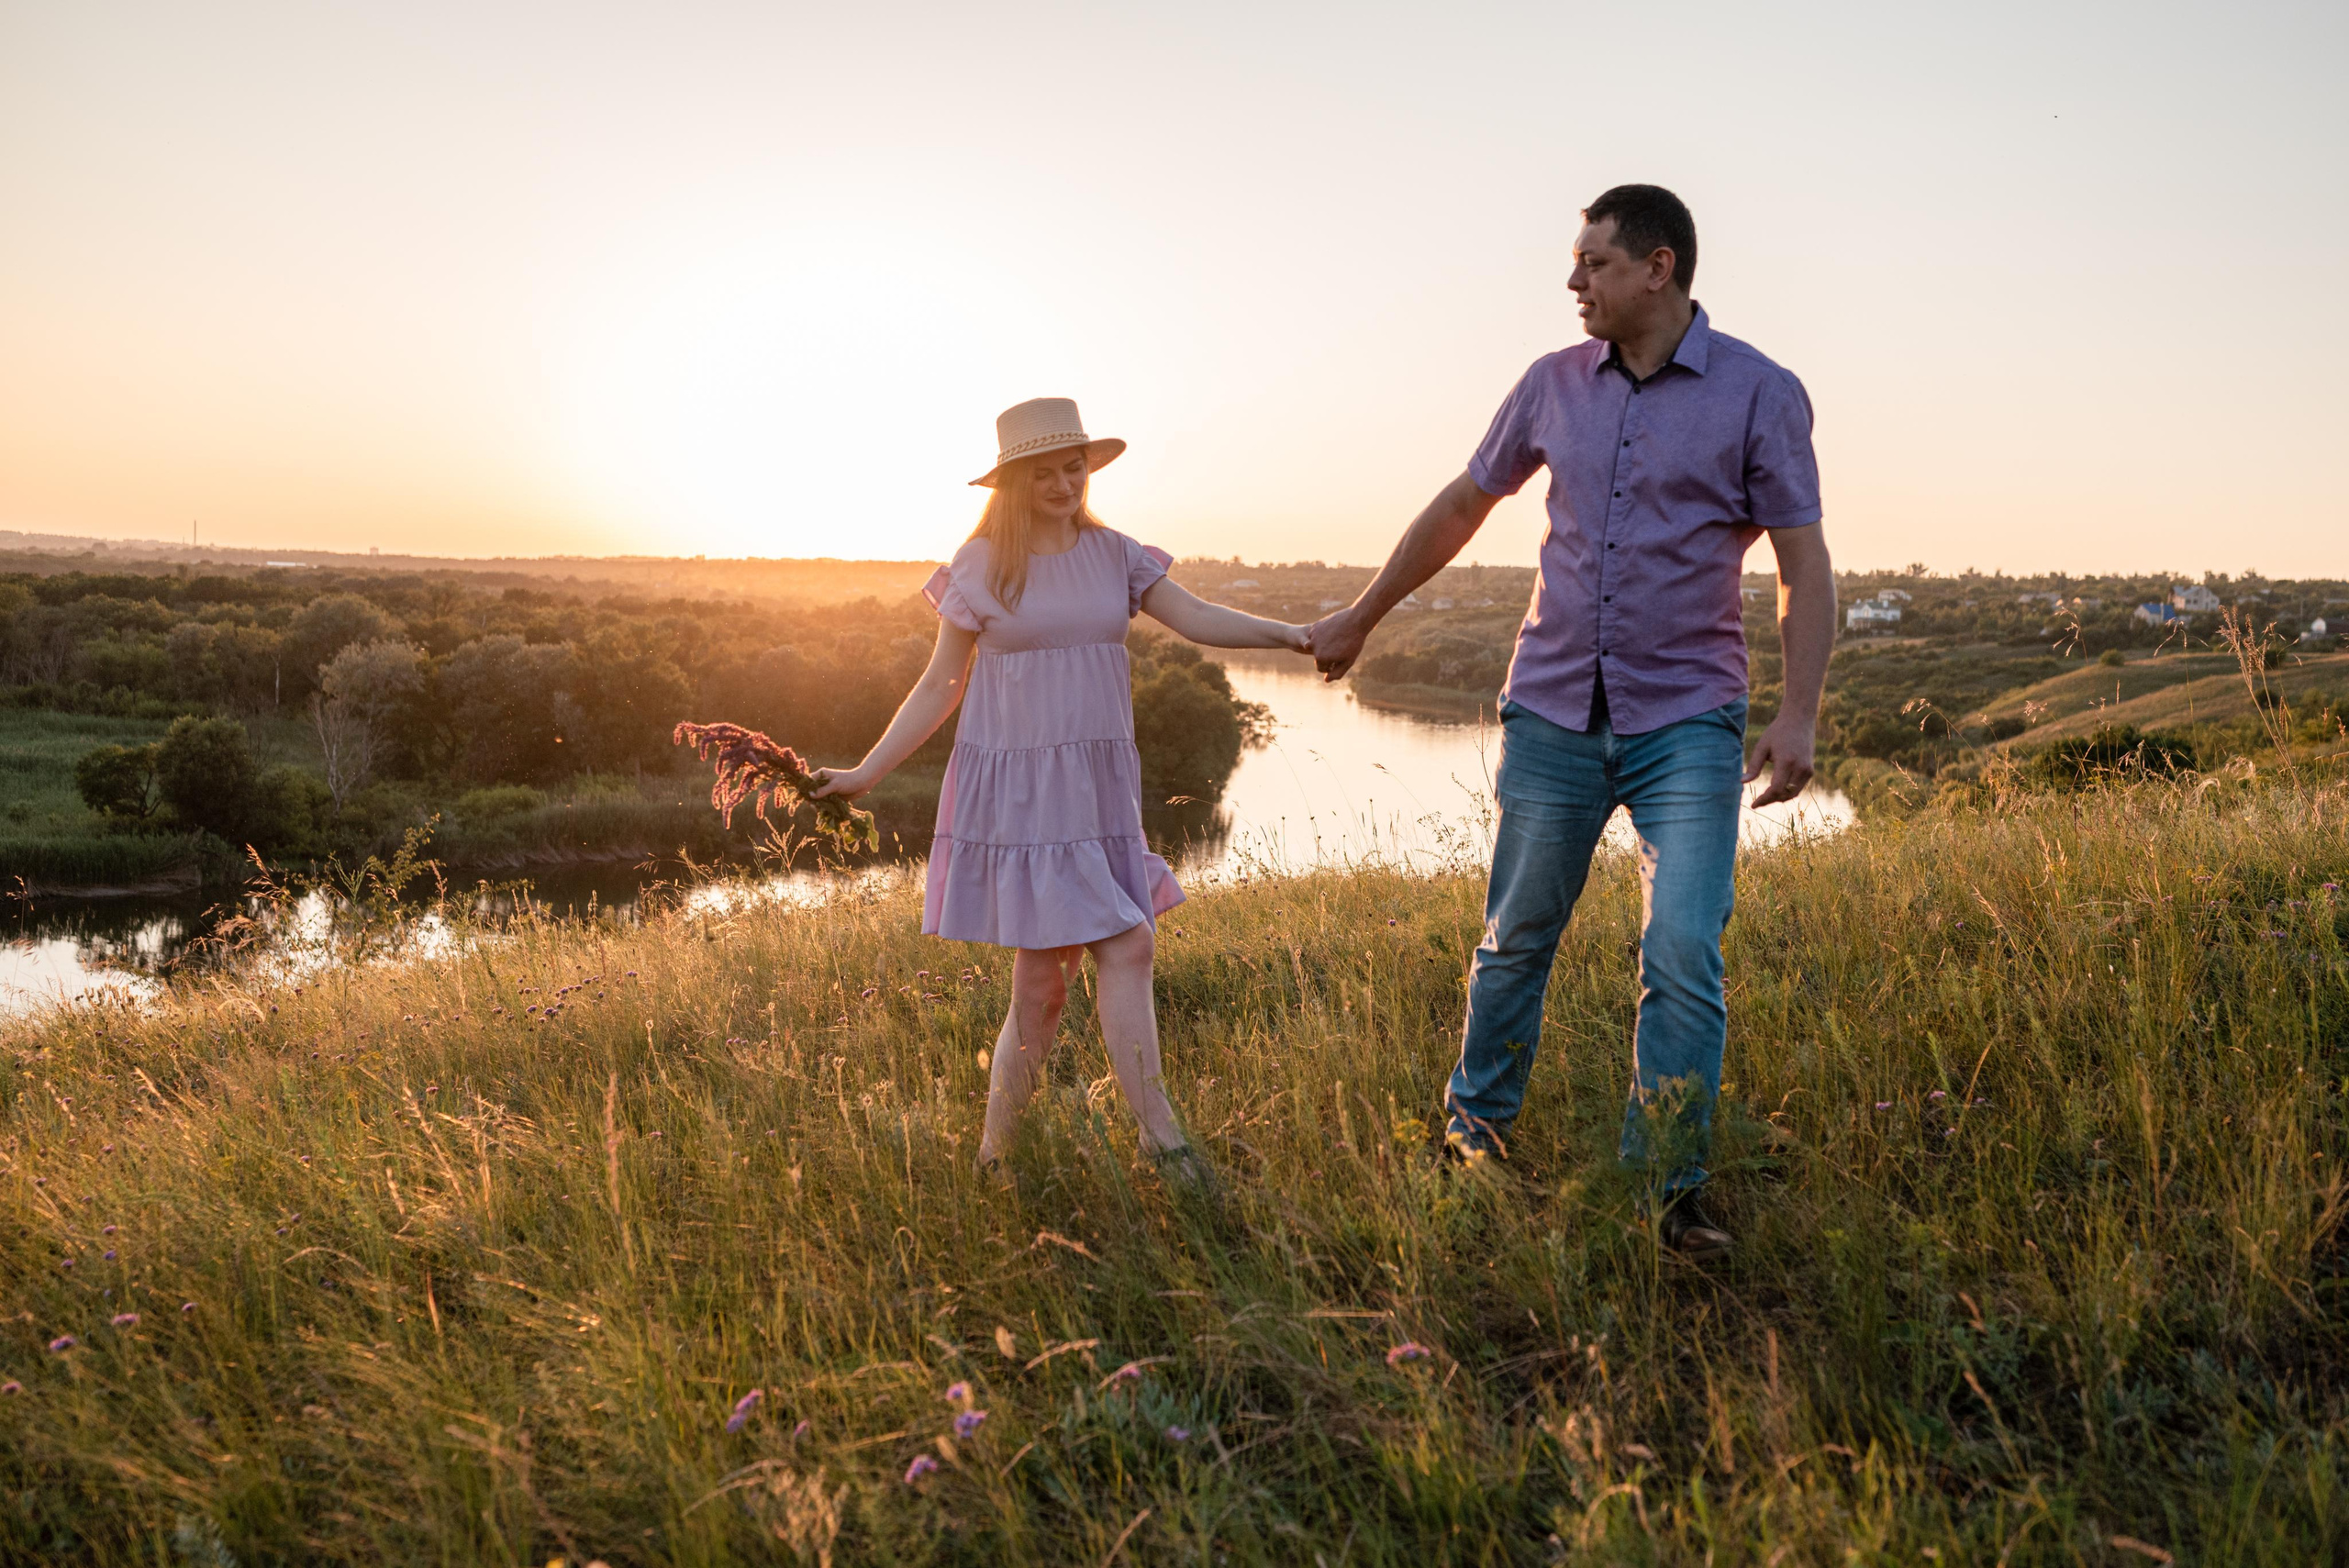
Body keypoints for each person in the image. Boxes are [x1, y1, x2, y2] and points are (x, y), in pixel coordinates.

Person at [1307, 185, 1836, 1259]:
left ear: (1657, 266)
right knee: (1513, 942)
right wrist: (1363, 614)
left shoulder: (1758, 393)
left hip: (1686, 717)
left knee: (1682, 946)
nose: (1571, 282)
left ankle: (1664, 1194)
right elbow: (1464, 503)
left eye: (1591, 262)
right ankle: (1471, 1146)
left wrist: (1798, 713)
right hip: (1551, 708)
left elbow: (1803, 563)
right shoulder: (1550, 385)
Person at [813, 397, 1308, 1188]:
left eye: (1072, 465)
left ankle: (995, 1157)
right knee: (1127, 942)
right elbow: (941, 683)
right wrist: (866, 773)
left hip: (1098, 785)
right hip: (1019, 784)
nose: (1062, 481)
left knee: (1043, 985)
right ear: (1011, 481)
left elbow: (1198, 615)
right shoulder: (979, 567)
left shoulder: (1116, 555)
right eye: (1042, 470)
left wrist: (1290, 635)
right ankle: (1162, 1141)